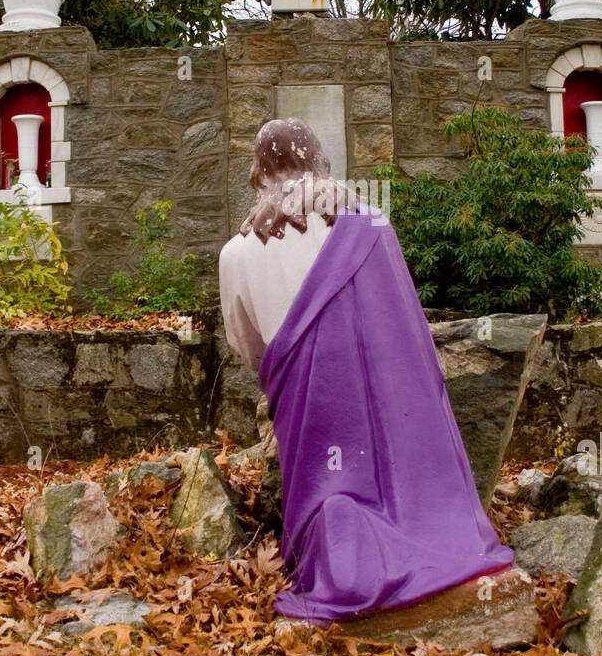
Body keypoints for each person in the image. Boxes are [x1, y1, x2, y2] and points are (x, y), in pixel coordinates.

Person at [218, 118, 514, 622]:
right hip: (384, 417)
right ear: (319, 163)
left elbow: (248, 348)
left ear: (260, 172)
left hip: (305, 411)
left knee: (328, 491)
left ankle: (335, 537)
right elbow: (406, 329)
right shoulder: (371, 222)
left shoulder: (235, 254)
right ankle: (412, 524)